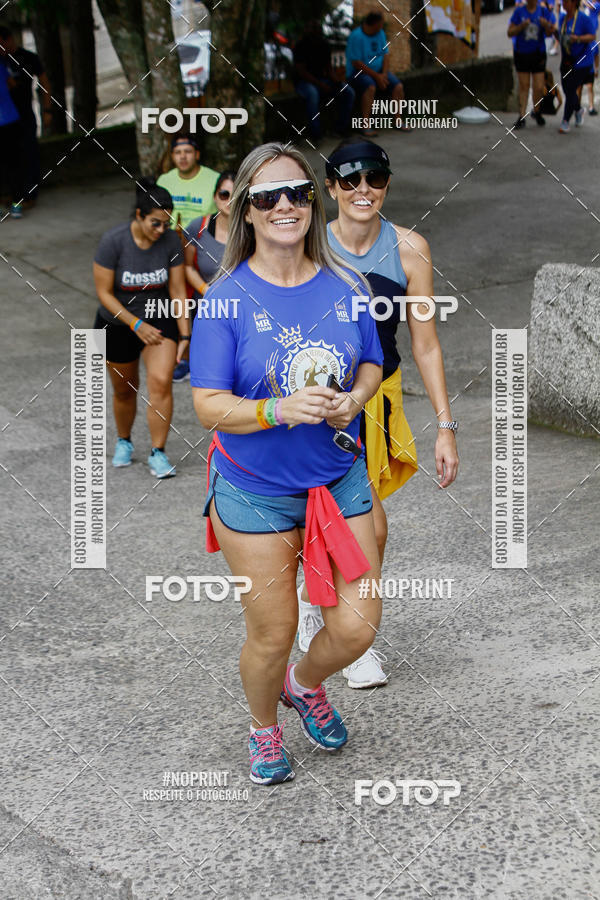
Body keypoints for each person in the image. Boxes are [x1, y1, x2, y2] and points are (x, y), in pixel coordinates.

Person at [190, 142, 384, 785]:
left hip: (337, 477)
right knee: (272, 634)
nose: (285, 205)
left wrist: (354, 399)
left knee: (358, 627)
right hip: (256, 491)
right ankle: (263, 727)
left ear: (313, 202)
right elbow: (208, 405)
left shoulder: (347, 285)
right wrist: (279, 409)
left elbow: (370, 362)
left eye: (297, 193)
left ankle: (302, 684)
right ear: (245, 210)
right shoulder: (225, 299)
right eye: (267, 196)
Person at [297, 138, 459, 689]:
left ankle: (331, 618)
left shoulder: (410, 249)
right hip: (318, 399)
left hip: (376, 400)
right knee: (364, 523)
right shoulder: (308, 244)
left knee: (362, 526)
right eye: (349, 179)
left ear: (387, 185)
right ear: (330, 187)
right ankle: (347, 635)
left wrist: (445, 426)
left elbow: (426, 344)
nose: (362, 189)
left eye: (375, 179)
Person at [93, 178, 189, 478]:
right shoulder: (113, 241)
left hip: (159, 318)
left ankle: (158, 452)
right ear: (139, 215)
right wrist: (135, 324)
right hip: (117, 322)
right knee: (124, 389)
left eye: (166, 223)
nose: (161, 230)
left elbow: (177, 291)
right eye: (155, 223)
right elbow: (104, 294)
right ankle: (124, 440)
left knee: (161, 381)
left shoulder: (171, 241)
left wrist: (185, 333)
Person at [172, 170, 236, 382]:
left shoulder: (253, 228)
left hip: (243, 310)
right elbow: (187, 267)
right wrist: (207, 292)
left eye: (236, 195)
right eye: (224, 194)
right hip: (207, 309)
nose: (229, 200)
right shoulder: (197, 228)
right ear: (215, 197)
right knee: (212, 374)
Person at [0, 25, 51, 205]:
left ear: (8, 39)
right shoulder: (1, 61)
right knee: (9, 156)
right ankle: (11, 193)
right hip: (6, 118)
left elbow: (44, 83)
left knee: (29, 152)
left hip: (25, 113)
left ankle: (30, 194)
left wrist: (47, 110)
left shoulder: (28, 58)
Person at [345, 11, 408, 136]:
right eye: (380, 24)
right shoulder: (356, 36)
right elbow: (357, 63)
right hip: (359, 72)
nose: (381, 27)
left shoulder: (380, 33)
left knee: (398, 87)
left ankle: (398, 120)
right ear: (374, 24)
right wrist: (377, 77)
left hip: (379, 71)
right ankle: (365, 125)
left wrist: (383, 74)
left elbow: (385, 55)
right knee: (370, 87)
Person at [293, 19, 355, 141]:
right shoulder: (300, 46)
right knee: (312, 94)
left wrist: (337, 82)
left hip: (322, 80)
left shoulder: (324, 45)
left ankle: (340, 129)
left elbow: (329, 68)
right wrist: (320, 84)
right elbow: (302, 72)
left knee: (348, 92)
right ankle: (315, 133)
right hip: (305, 82)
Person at [507, 0, 556, 128]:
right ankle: (522, 116)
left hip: (538, 53)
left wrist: (546, 25)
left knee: (539, 86)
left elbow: (551, 32)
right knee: (524, 85)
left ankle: (537, 111)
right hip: (522, 53)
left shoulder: (543, 11)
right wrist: (521, 26)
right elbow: (510, 32)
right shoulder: (519, 12)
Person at [156, 133, 219, 229]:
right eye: (178, 152)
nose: (183, 156)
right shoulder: (163, 181)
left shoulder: (216, 180)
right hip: (169, 234)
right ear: (172, 156)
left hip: (204, 235)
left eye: (188, 151)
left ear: (197, 155)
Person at [555, 0, 597, 132]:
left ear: (573, 3)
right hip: (567, 60)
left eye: (566, 1)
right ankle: (578, 109)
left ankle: (565, 120)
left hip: (582, 61)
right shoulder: (562, 18)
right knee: (567, 89)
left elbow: (592, 36)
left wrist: (577, 39)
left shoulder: (583, 18)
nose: (563, 4)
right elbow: (560, 35)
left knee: (571, 88)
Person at [0, 54, 24, 218]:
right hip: (10, 118)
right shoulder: (1, 66)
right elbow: (12, 85)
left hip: (7, 120)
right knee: (14, 163)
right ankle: (17, 204)